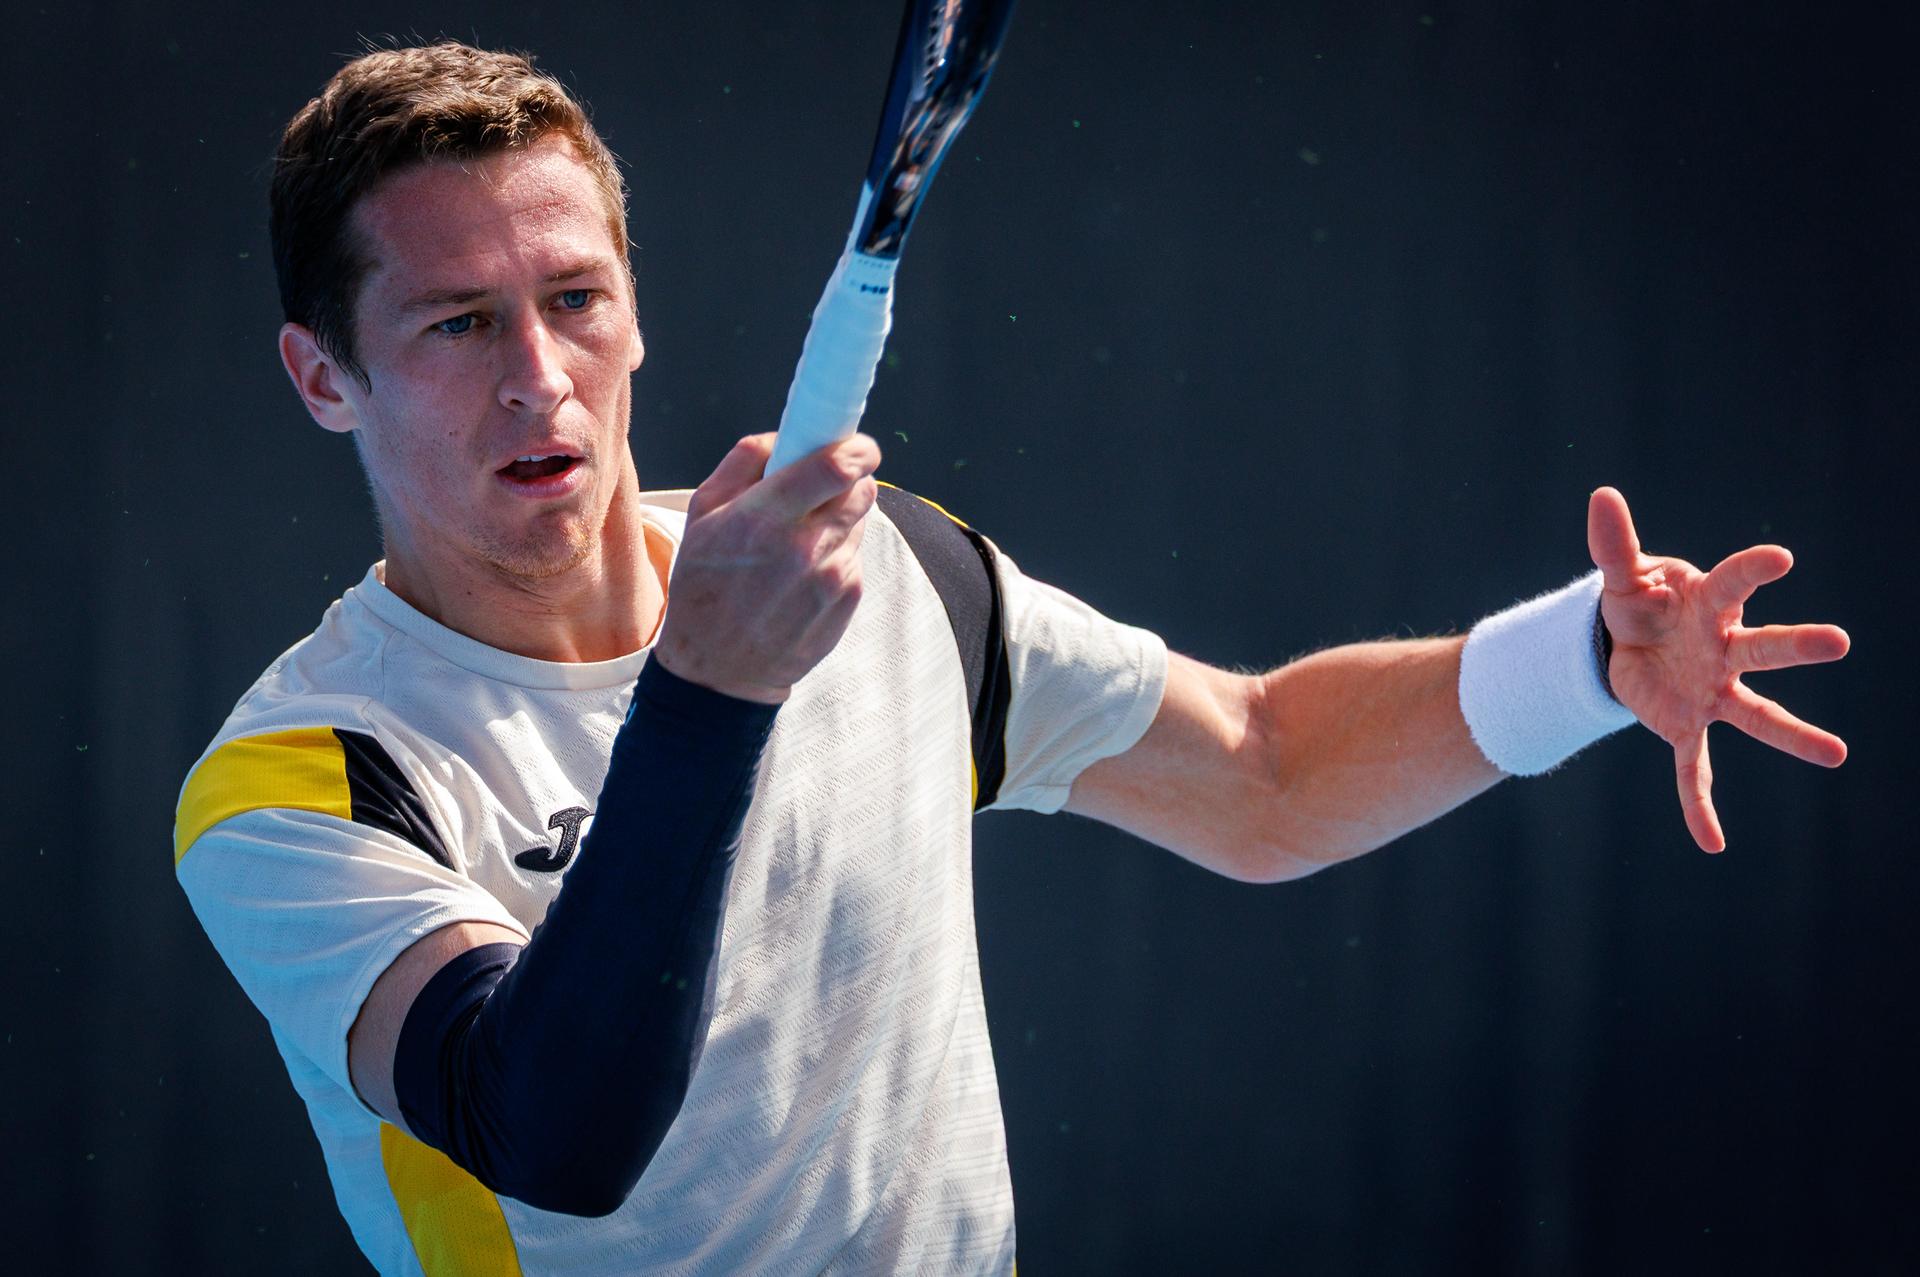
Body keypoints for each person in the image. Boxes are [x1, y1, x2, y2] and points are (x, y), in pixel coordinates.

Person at [173, 41, 1849, 1276]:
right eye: (458, 323)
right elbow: (557, 1132)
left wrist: (1585, 663)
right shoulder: (303, 785)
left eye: (575, 298)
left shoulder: (889, 571)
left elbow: (1263, 772)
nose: (540, 376)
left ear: (636, 309)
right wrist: (711, 693)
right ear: (324, 377)